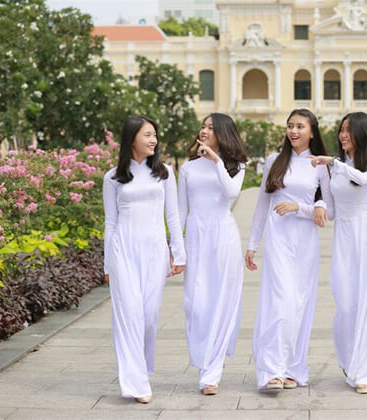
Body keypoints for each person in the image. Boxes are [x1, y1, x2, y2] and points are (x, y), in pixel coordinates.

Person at [245, 109, 332, 391]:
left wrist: (307, 207)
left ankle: (294, 368)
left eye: (300, 126)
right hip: (278, 238)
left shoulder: (319, 165)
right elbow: (261, 205)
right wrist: (252, 244)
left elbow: (329, 210)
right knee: (279, 301)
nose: (293, 131)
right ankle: (272, 370)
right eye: (290, 126)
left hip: (305, 240)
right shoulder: (274, 161)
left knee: (300, 304)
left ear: (312, 131)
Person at [103, 115, 186, 404]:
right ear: (132, 139)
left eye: (155, 135)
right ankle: (136, 383)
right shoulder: (113, 177)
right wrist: (106, 265)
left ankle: (141, 368)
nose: (153, 140)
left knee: (149, 316)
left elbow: (173, 216)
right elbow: (110, 223)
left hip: (154, 251)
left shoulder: (164, 174)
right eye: (147, 134)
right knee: (129, 316)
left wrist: (179, 252)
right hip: (122, 250)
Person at [309, 112, 367, 394]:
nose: (342, 135)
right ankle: (348, 359)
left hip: (366, 235)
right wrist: (315, 205)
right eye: (341, 130)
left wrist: (334, 162)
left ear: (362, 135)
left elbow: (364, 180)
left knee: (366, 303)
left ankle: (364, 371)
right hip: (343, 236)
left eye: (349, 131)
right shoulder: (331, 169)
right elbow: (331, 210)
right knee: (345, 303)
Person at [178, 113, 248, 395]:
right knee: (195, 304)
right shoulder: (188, 168)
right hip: (196, 236)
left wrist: (217, 161)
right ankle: (204, 361)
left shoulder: (237, 165)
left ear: (222, 133)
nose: (204, 131)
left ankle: (211, 372)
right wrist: (175, 248)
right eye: (203, 126)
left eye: (210, 127)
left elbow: (231, 192)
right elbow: (181, 211)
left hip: (223, 236)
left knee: (221, 301)